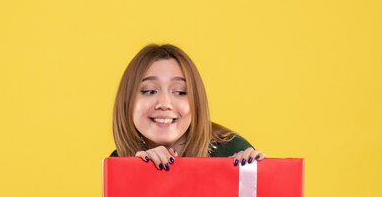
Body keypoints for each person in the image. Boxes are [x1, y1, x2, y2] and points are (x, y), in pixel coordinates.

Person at [109, 43, 266, 171]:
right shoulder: (119, 162)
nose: (164, 104)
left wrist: (259, 178)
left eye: (180, 92)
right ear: (127, 101)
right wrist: (141, 177)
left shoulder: (231, 151)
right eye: (149, 91)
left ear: (196, 102)